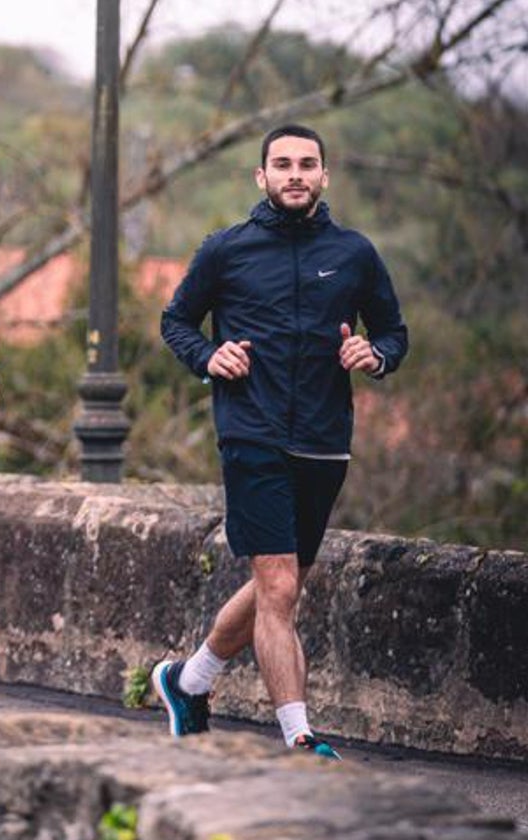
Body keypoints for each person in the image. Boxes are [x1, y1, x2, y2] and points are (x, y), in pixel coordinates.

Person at [156, 124, 409, 759]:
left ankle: (189, 681)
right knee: (279, 590)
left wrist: (372, 353)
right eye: (282, 164)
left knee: (284, 582)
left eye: (307, 164)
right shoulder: (226, 250)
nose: (294, 174)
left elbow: (394, 333)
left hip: (325, 440)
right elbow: (176, 321)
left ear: (324, 177)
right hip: (252, 433)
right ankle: (300, 737)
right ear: (261, 177)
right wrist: (210, 356)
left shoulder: (355, 253)